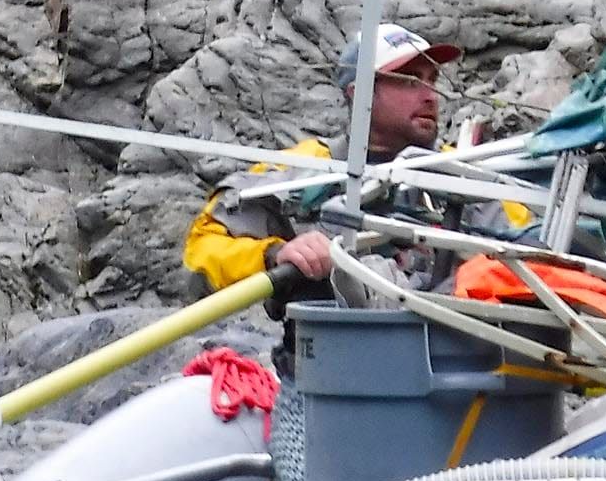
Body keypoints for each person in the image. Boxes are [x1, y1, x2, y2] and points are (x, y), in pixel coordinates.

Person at [182, 22, 460, 296]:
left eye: (432, 80)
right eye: (411, 79)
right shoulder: (305, 170)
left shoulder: (468, 176)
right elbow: (199, 255)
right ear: (359, 92)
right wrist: (275, 254)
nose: (430, 96)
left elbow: (503, 251)